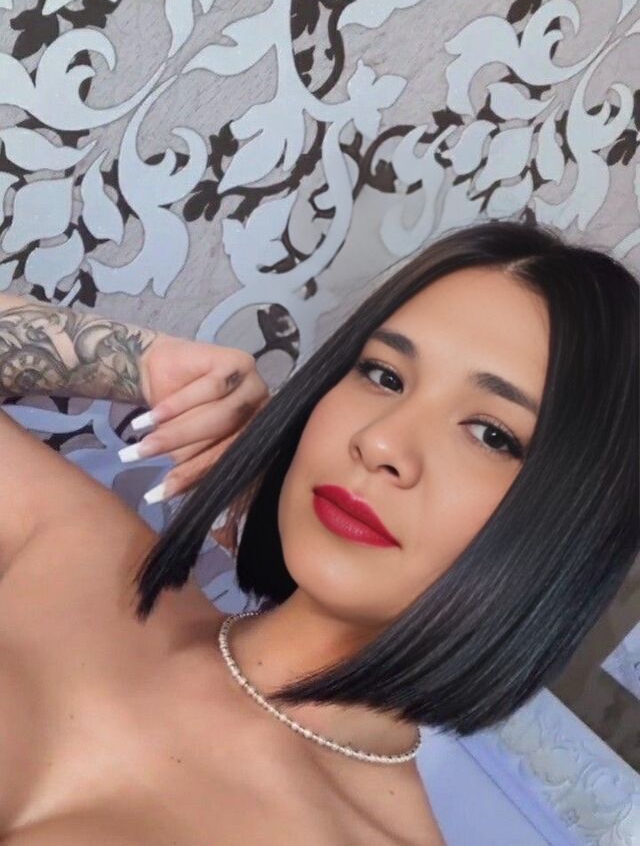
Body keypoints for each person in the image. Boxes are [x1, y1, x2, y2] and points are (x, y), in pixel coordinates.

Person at [0, 219, 637, 845]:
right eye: (384, 376)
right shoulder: (83, 551)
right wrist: (144, 364)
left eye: (491, 434)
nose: (380, 441)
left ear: (569, 538)